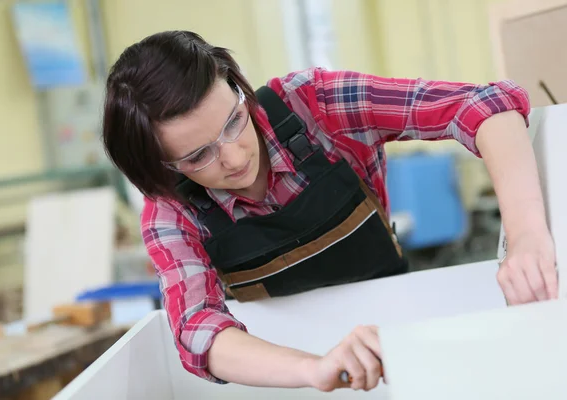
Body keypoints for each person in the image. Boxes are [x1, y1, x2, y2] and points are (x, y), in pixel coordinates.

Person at [101, 30, 557, 392]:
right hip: (287, 371)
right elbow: (198, 332)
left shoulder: (312, 106)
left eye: (234, 122)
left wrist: (526, 237)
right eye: (199, 156)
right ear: (162, 166)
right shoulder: (171, 210)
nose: (235, 158)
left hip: (397, 332)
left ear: (234, 84)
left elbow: (485, 106)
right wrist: (315, 370)